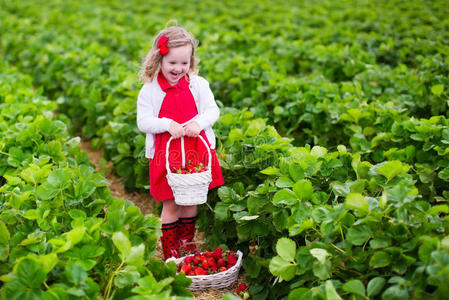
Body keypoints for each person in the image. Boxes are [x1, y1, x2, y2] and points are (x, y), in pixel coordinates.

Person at [136, 26, 224, 260]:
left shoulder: (198, 85)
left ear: (191, 61)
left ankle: (186, 242)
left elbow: (212, 110)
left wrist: (199, 123)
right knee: (171, 201)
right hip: (167, 152)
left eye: (184, 63)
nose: (178, 69)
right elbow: (144, 122)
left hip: (195, 149)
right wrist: (166, 124)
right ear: (159, 59)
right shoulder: (150, 90)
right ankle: (170, 249)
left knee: (190, 198)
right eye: (172, 63)